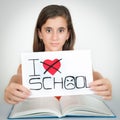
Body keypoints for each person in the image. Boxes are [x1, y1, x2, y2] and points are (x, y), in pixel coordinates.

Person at [4, 5, 112, 104]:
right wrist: (10, 88)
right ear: (40, 34)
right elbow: (18, 78)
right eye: (48, 30)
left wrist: (103, 82)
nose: (54, 37)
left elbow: (93, 75)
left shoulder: (79, 62)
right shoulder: (27, 66)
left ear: (68, 34)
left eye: (60, 30)